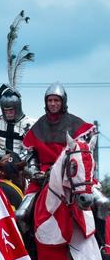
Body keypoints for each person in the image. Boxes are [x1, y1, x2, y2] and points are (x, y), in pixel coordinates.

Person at [16, 82, 108, 240]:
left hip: (74, 173)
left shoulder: (75, 123)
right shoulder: (38, 126)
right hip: (44, 173)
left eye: (56, 100)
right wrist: (33, 171)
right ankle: (29, 249)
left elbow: (85, 153)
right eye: (50, 100)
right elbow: (31, 154)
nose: (53, 104)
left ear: (63, 102)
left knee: (102, 202)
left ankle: (102, 245)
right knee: (21, 213)